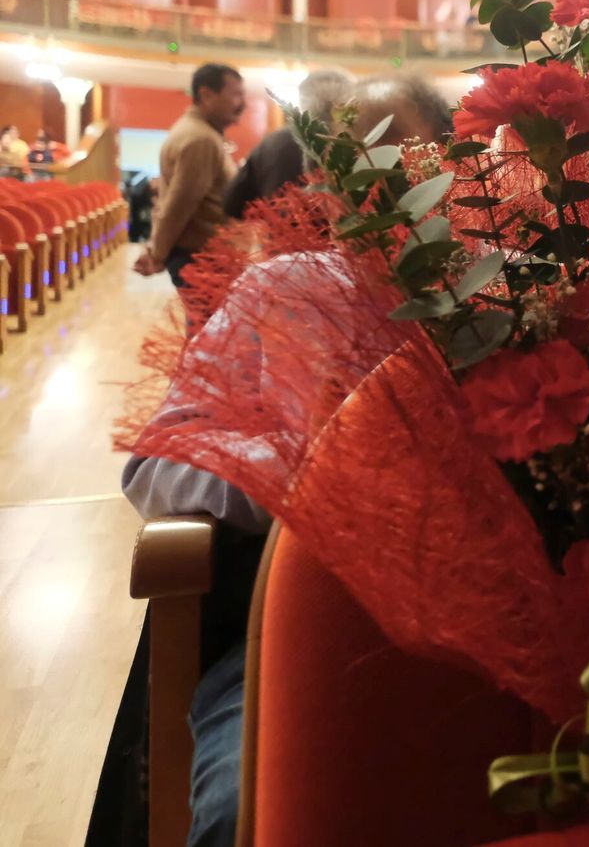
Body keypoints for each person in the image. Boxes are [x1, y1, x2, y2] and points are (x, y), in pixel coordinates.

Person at [120, 70, 451, 847]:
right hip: (291, 634)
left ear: (450, 168)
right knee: (243, 808)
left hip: (478, 641)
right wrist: (286, 468)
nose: (372, 191)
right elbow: (152, 466)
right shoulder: (279, 292)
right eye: (349, 168)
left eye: (396, 163)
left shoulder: (511, 297)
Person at [134, 64, 245, 289]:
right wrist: (156, 253)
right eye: (235, 95)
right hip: (203, 257)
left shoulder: (200, 133)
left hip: (205, 256)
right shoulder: (200, 139)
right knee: (207, 324)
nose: (242, 104)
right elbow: (179, 205)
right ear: (206, 94)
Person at [222, 70, 352, 219]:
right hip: (343, 239)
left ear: (302, 100)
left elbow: (232, 204)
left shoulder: (272, 143)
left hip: (281, 236)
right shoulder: (357, 142)